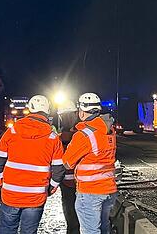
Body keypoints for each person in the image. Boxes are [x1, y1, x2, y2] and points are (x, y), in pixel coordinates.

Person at [0, 95, 65, 234]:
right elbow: (59, 169)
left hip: (11, 194)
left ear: (30, 110)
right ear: (47, 111)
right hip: (36, 196)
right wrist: (51, 188)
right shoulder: (52, 138)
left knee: (7, 229)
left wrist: (0, 183)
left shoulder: (12, 131)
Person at [59, 92, 117, 234]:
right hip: (108, 190)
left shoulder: (84, 135)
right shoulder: (109, 130)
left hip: (90, 192)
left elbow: (66, 163)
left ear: (82, 111)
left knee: (90, 231)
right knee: (104, 229)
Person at [54, 108, 81, 234]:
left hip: (68, 181)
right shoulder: (81, 134)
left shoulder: (60, 137)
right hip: (79, 181)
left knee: (70, 213)